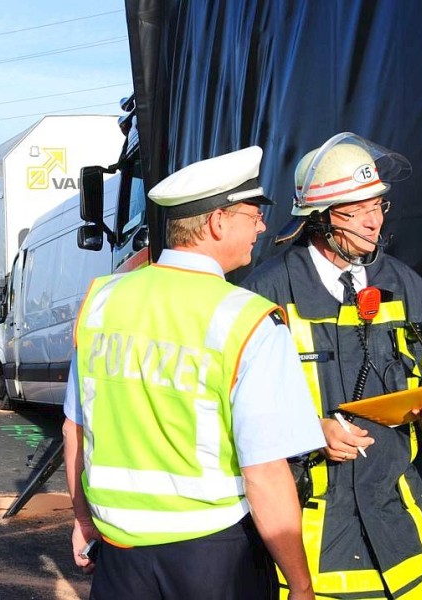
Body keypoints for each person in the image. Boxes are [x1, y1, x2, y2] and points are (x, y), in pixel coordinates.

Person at [63, 146, 325, 600]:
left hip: (119, 551)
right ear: (217, 222)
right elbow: (264, 473)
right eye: (253, 213)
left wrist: (82, 521)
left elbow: (75, 428)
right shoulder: (248, 320)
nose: (262, 226)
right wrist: (300, 585)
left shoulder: (103, 301)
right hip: (214, 556)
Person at [242, 132, 422, 599]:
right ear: (317, 220)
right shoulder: (266, 298)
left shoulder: (410, 289)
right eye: (354, 211)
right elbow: (226, 414)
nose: (373, 223)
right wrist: (308, 431)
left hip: (406, 548)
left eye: (378, 205)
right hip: (311, 551)